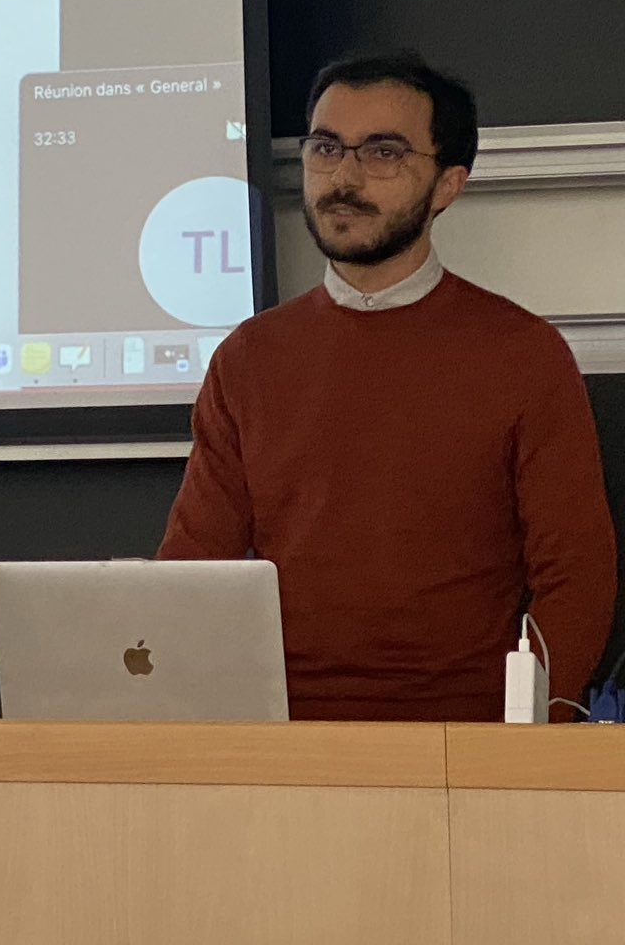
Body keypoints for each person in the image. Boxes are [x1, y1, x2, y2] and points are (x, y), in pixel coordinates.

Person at [160, 52, 616, 720]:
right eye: (326, 147)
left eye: (383, 153)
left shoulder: (524, 356)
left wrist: (530, 738)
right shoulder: (248, 359)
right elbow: (192, 572)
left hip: (467, 741)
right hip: (276, 738)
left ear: (448, 185)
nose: (344, 178)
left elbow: (578, 577)